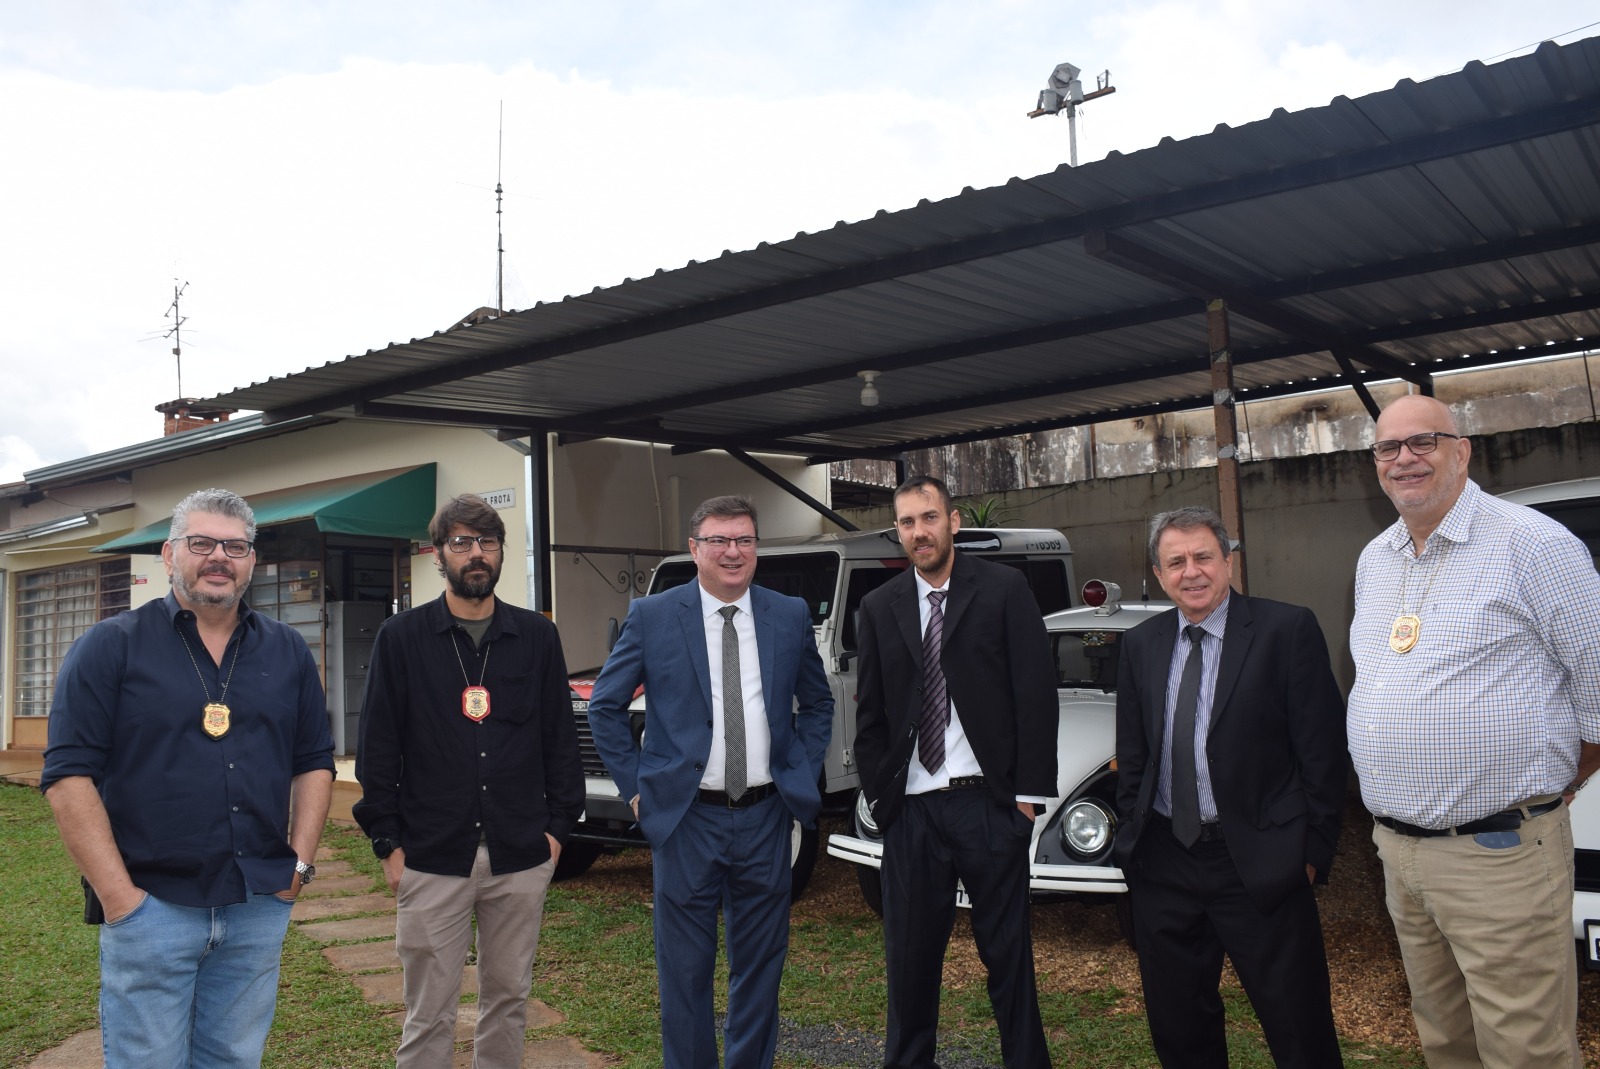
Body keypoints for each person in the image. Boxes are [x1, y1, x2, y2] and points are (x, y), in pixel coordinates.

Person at [40, 487, 335, 1069]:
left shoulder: (288, 651)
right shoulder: (110, 646)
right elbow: (68, 776)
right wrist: (120, 899)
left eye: (235, 546)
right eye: (201, 543)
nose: (219, 557)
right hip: (152, 908)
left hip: (257, 904)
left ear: (251, 559)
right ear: (170, 554)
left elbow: (314, 761)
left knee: (234, 1059)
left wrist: (297, 869)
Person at [1349, 394, 1600, 1069]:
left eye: (1423, 441)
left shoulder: (1535, 545)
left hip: (1500, 852)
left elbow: (1599, 681)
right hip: (1400, 849)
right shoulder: (1376, 558)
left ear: (1461, 452)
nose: (1404, 458)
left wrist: (1560, 778)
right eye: (1387, 447)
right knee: (1445, 1037)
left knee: (1525, 1050)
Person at [586, 494, 833, 1069]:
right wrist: (637, 790)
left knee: (761, 966)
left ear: (756, 548)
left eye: (744, 539)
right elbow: (605, 706)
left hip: (765, 817)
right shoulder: (653, 616)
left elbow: (818, 703)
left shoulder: (789, 614)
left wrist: (796, 769)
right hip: (685, 820)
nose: (732, 552)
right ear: (695, 549)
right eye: (718, 540)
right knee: (684, 972)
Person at [354, 493, 583, 1068]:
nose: (476, 553)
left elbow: (560, 740)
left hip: (520, 855)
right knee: (427, 1011)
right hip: (431, 856)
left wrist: (556, 831)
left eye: (487, 542)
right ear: (438, 555)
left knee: (508, 1000)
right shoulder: (401, 638)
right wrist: (388, 843)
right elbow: (377, 749)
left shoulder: (536, 637)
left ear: (500, 552)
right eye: (461, 542)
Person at [1112, 505, 1346, 1068]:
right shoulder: (1141, 644)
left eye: (1203, 557)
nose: (1191, 572)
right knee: (1179, 1028)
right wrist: (1133, 844)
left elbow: (1323, 754)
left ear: (1228, 561)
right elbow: (1134, 754)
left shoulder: (1286, 630)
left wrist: (1311, 854)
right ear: (1158, 573)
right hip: (1165, 861)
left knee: (1298, 1026)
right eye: (1176, 562)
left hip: (1260, 863)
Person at [853, 474, 1057, 1069]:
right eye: (907, 522)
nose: (919, 531)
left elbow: (1035, 695)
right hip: (912, 813)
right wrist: (882, 799)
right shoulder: (879, 606)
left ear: (953, 522)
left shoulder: (1004, 589)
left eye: (929, 518)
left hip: (988, 806)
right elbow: (870, 715)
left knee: (1008, 957)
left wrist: (1026, 798)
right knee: (909, 964)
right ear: (898, 532)